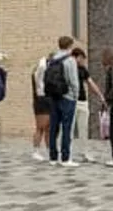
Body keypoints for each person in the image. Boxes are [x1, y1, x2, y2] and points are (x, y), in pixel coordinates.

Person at [46, 36, 80, 167]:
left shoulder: (52, 59)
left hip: (54, 96)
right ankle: (66, 158)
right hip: (67, 96)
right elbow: (73, 81)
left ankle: (53, 157)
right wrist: (76, 95)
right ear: (69, 45)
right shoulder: (70, 60)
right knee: (67, 128)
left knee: (54, 127)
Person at [70, 48, 106, 163]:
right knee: (69, 128)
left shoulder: (83, 69)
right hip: (70, 101)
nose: (83, 61)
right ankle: (66, 153)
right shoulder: (68, 68)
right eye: (82, 58)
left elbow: (90, 83)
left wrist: (100, 95)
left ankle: (85, 153)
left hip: (82, 101)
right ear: (77, 57)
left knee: (83, 129)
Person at [30, 52, 53, 161]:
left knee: (48, 127)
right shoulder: (42, 68)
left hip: (48, 98)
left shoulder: (46, 67)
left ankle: (49, 150)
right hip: (41, 99)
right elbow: (39, 83)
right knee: (41, 127)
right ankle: (36, 151)